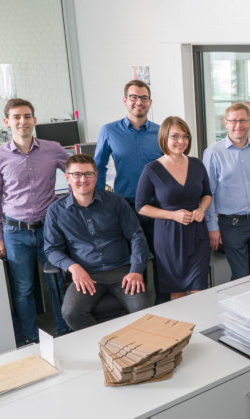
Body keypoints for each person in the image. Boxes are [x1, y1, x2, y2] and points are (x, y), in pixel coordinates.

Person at [0, 98, 69, 345]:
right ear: (7, 122)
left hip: (49, 229)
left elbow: (77, 172)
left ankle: (64, 330)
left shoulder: (52, 149)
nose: (23, 121)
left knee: (56, 282)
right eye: (17, 117)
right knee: (23, 289)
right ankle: (31, 337)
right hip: (14, 231)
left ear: (35, 120)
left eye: (27, 116)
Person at [44, 154, 151, 331]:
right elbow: (52, 249)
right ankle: (105, 344)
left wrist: (136, 270)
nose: (83, 179)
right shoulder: (56, 211)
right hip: (87, 274)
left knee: (143, 312)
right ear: (67, 177)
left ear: (96, 176)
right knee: (71, 313)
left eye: (89, 174)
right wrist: (73, 268)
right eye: (77, 174)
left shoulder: (115, 201)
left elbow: (136, 236)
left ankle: (135, 347)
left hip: (122, 272)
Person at [94, 80, 164, 299]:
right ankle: (138, 309)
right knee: (134, 262)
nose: (138, 102)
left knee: (162, 260)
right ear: (125, 101)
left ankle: (164, 305)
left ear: (150, 102)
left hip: (157, 207)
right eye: (133, 97)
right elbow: (98, 166)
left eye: (143, 98)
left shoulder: (160, 132)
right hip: (127, 207)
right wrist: (97, 200)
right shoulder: (109, 130)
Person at [135, 117, 212, 300]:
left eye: (185, 136)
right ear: (164, 137)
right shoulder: (152, 169)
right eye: (175, 136)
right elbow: (141, 206)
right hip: (169, 237)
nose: (181, 141)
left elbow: (207, 194)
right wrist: (173, 215)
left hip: (197, 233)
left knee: (199, 291)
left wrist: (202, 209)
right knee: (176, 292)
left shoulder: (197, 164)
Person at [203, 103, 250, 280]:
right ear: (226, 122)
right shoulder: (213, 153)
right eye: (234, 120)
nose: (238, 125)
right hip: (231, 225)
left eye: (243, 120)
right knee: (241, 275)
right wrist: (212, 227)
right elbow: (208, 194)